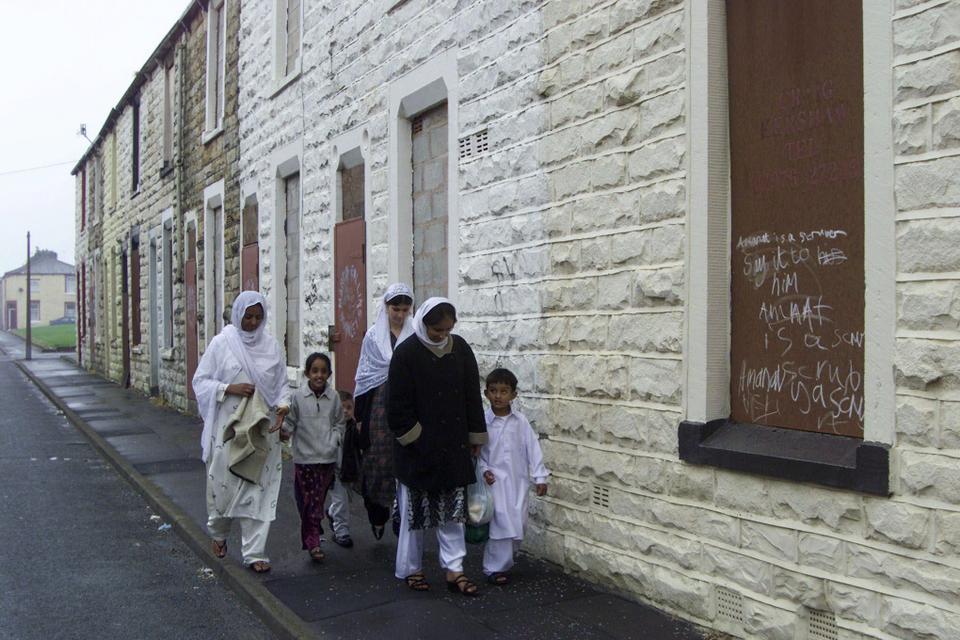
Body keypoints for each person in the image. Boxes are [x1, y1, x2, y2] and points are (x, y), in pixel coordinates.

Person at [387, 297, 487, 596]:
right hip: (418, 449)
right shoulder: (406, 353)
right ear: (423, 324)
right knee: (414, 514)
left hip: (453, 444)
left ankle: (455, 570)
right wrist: (415, 438)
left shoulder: (461, 349)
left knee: (453, 513)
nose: (442, 335)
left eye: (447, 330)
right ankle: (411, 568)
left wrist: (475, 437)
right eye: (437, 330)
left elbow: (471, 394)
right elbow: (397, 405)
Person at [192, 291, 290, 574]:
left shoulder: (271, 346)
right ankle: (219, 532)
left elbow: (282, 384)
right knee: (223, 486)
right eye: (248, 317)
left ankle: (255, 553)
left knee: (260, 489)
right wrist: (228, 388)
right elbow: (200, 381)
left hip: (262, 428)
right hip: (229, 430)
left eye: (258, 317)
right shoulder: (221, 344)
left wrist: (283, 407)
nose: (253, 322)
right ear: (238, 316)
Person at [353, 283, 415, 539]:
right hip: (378, 403)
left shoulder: (415, 334)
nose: (399, 314)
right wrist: (360, 416)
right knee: (378, 460)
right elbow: (364, 376)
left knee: (405, 460)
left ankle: (403, 518)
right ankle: (378, 513)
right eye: (395, 309)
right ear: (386, 308)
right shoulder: (373, 336)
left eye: (404, 309)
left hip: (408, 402)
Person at [478, 368, 549, 585]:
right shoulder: (483, 422)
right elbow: (477, 453)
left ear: (513, 395)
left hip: (518, 482)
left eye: (504, 391)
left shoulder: (520, 422)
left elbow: (533, 449)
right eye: (493, 391)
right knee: (500, 524)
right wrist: (484, 470)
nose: (498, 396)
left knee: (519, 523)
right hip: (495, 483)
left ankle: (505, 563)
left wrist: (540, 477)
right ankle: (493, 568)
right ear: (486, 393)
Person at [282, 352, 345, 562]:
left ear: (329, 374)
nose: (319, 375)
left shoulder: (334, 397)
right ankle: (314, 537)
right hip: (304, 459)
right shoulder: (298, 397)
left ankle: (313, 538)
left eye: (323, 371)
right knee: (306, 502)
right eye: (315, 371)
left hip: (326, 459)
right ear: (307, 373)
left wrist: (335, 440)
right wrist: (283, 431)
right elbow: (290, 421)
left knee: (316, 501)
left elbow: (339, 422)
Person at [324, 390, 357, 548]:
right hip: (334, 471)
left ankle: (331, 513)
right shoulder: (329, 428)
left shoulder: (353, 428)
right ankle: (341, 532)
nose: (345, 411)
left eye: (349, 408)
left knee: (344, 500)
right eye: (341, 408)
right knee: (341, 501)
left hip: (348, 471)